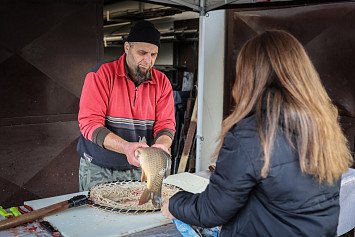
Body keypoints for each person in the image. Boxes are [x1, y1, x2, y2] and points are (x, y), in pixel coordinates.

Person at [161, 30, 353, 236]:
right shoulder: (324, 125)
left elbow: (211, 211)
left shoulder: (252, 133)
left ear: (249, 77)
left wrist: (174, 203)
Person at [77, 20, 176, 191]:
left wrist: (162, 144)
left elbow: (166, 124)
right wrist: (125, 147)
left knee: (139, 214)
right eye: (142, 52)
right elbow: (89, 123)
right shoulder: (101, 75)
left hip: (140, 168)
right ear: (127, 48)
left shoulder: (162, 82)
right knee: (96, 216)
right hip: (99, 167)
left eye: (153, 55)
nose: (148, 61)